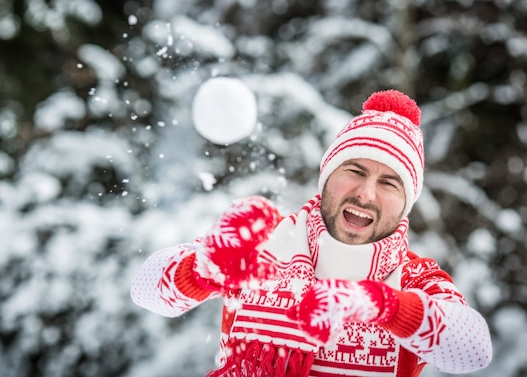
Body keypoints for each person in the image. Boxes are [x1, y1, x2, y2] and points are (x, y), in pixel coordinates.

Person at [130, 90, 493, 377]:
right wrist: (203, 269)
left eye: (388, 183)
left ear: (405, 204)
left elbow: (474, 349)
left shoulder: (415, 279)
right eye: (354, 170)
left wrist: (387, 307)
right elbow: (146, 290)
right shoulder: (264, 242)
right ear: (326, 178)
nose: (365, 193)